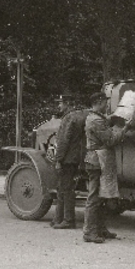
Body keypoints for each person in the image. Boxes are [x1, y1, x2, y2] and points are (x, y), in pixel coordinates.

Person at [83, 92, 130, 243]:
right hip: (97, 161)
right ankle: (89, 232)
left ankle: (100, 229)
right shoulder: (96, 120)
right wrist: (124, 129)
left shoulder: (97, 118)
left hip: (97, 160)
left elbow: (106, 123)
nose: (107, 105)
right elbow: (110, 140)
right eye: (105, 103)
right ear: (99, 102)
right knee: (94, 197)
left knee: (102, 196)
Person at [51, 94, 88, 229]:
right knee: (64, 187)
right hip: (75, 157)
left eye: (60, 103)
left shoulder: (68, 118)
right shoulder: (80, 115)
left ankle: (68, 220)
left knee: (65, 189)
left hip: (67, 158)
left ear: (67, 103)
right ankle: (58, 218)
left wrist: (58, 160)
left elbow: (63, 141)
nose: (59, 106)